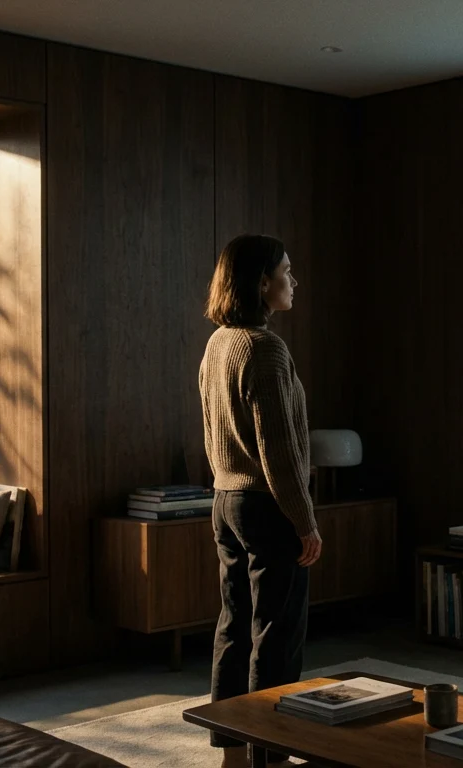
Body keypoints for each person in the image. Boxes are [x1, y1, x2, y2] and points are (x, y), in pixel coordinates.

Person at [200, 234, 319, 768]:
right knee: (277, 633)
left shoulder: (218, 343)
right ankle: (270, 757)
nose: (294, 282)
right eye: (286, 272)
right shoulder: (264, 349)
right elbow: (280, 451)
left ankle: (232, 755)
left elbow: (212, 430)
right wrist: (305, 522)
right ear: (262, 282)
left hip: (226, 501)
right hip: (268, 506)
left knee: (234, 626)